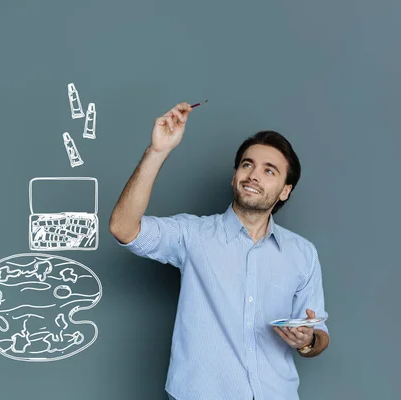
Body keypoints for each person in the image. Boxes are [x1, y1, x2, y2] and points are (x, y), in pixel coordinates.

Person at [109, 102, 330, 400]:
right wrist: (157, 151)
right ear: (234, 175)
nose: (253, 175)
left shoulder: (302, 253)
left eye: (269, 170)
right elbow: (123, 228)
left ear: (285, 190)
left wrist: (307, 340)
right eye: (247, 164)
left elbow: (320, 336)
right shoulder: (193, 234)